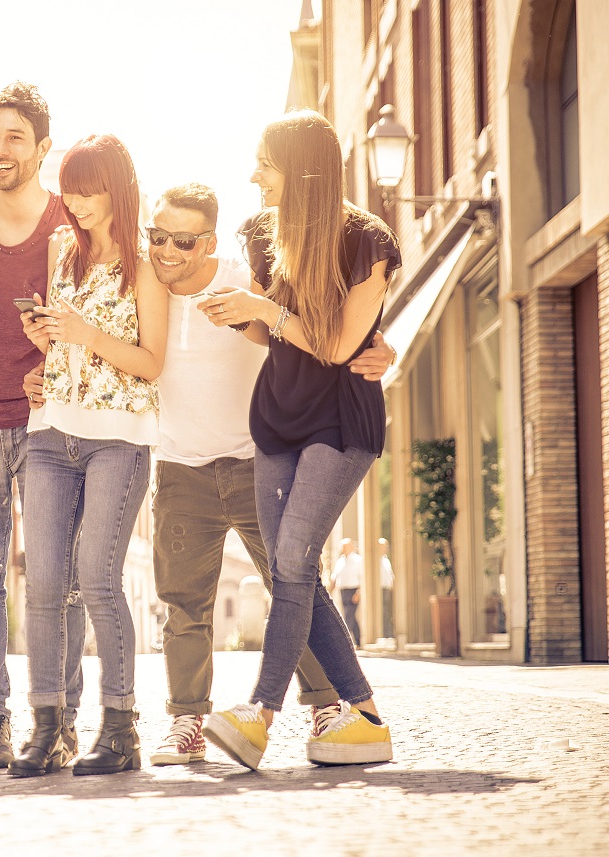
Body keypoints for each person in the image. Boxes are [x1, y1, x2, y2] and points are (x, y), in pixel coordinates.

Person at [107, 183, 391, 766]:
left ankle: (328, 706)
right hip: (180, 467)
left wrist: (378, 346)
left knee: (296, 583)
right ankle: (187, 722)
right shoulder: (138, 289)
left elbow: (320, 328)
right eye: (155, 237)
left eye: (181, 241)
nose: (164, 251)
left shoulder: (248, 274)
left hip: (257, 460)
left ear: (208, 241)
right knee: (182, 603)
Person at [202, 109, 401, 769]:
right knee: (291, 567)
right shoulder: (264, 232)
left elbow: (341, 346)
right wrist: (241, 314)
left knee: (291, 559)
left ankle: (258, 715)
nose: (254, 175)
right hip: (278, 418)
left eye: (265, 161)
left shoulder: (367, 240)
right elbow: (273, 333)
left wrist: (265, 310)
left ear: (303, 169)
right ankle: (364, 714)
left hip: (341, 420)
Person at [9, 134, 166, 778]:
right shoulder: (59, 249)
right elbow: (61, 345)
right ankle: (50, 728)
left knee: (97, 577)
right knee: (44, 582)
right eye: (69, 189)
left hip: (118, 436)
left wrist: (86, 334)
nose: (75, 203)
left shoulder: (147, 260)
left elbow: (151, 363)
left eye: (89, 188)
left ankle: (121, 727)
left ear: (118, 187)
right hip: (50, 432)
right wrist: (42, 354)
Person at [0, 82, 86, 768]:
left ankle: (60, 718)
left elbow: (97, 319)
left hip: (48, 425)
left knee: (58, 578)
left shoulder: (69, 225)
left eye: (15, 138)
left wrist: (53, 351)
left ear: (42, 148)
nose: (1, 150)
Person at [331, 538, 364, 646]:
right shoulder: (340, 561)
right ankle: (358, 641)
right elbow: (334, 577)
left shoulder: (358, 560)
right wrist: (329, 591)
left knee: (348, 615)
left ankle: (345, 642)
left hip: (353, 590)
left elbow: (362, 578)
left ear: (352, 547)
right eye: (342, 547)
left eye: (345, 546)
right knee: (350, 616)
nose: (343, 548)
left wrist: (358, 593)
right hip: (343, 591)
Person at [378, 538, 395, 638]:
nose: (385, 548)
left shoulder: (386, 559)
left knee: (387, 611)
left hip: (387, 589)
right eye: (383, 546)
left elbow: (390, 575)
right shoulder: (376, 560)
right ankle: (385, 633)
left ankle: (388, 632)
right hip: (380, 589)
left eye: (386, 546)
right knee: (383, 611)